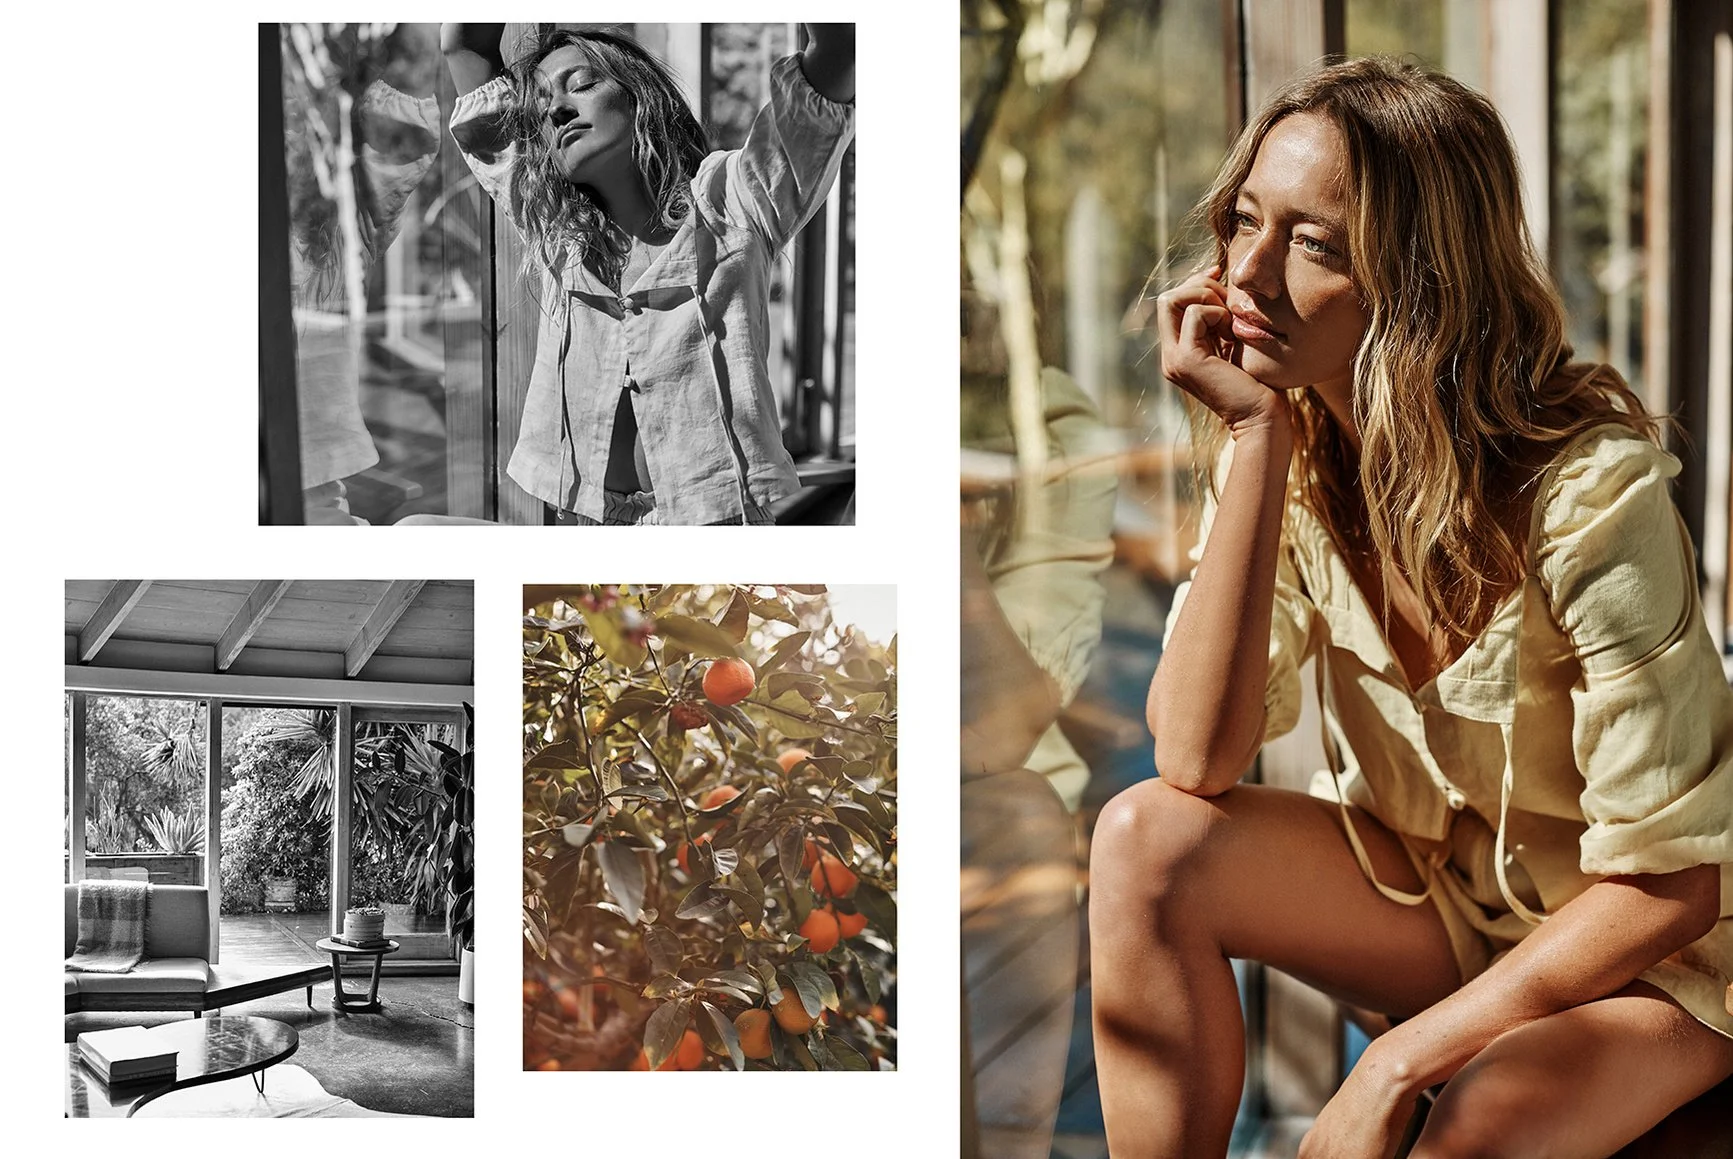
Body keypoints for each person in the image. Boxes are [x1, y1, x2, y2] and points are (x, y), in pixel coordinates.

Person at [1089, 57, 1733, 1158]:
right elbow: (1191, 757)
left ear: (1422, 278)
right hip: (1444, 908)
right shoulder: (1291, 462)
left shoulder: (1590, 498)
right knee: (1143, 839)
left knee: (1476, 1119)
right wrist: (1252, 440)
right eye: (1243, 220)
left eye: (1313, 243)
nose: (1245, 274)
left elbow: (1669, 888)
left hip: (1656, 965)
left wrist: (1398, 1057)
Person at [439, 23, 854, 525]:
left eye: (583, 83)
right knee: (414, 533)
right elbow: (463, 43)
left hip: (709, 528)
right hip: (581, 523)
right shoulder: (555, 228)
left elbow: (842, 46)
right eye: (543, 104)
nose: (558, 109)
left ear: (641, 99)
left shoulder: (735, 202)